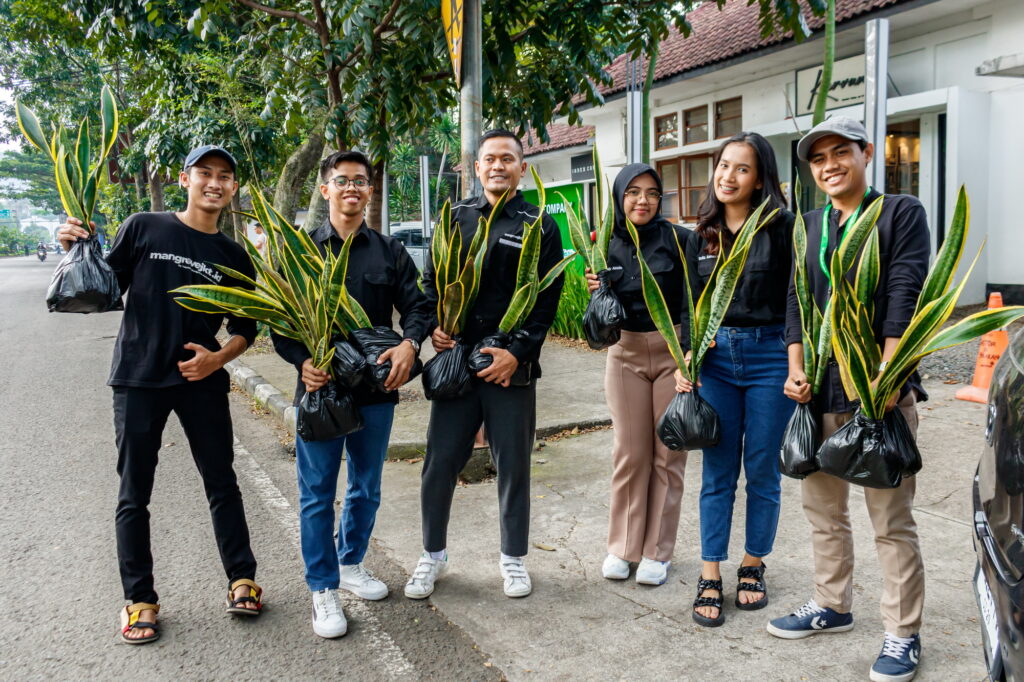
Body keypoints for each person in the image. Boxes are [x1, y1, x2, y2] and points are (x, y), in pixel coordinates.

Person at [57, 144, 263, 645]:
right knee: (135, 493)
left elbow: (246, 327)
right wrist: (73, 248)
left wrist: (217, 359)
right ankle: (139, 601)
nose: (214, 182)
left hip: (202, 381)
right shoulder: (144, 226)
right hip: (137, 378)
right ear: (184, 178)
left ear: (233, 189)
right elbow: (104, 287)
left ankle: (242, 579)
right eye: (205, 173)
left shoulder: (234, 256)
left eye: (224, 176)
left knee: (222, 482)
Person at [767, 116, 930, 682]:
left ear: (865, 154)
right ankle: (832, 605)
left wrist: (883, 379)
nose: (829, 165)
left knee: (890, 518)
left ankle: (901, 632)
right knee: (823, 513)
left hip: (875, 395)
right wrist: (794, 370)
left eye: (841, 153)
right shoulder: (807, 224)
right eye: (818, 159)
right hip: (816, 392)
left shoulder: (900, 213)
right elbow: (795, 303)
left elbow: (905, 292)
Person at [271, 150, 431, 639]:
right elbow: (279, 320)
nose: (352, 189)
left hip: (375, 389)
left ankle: (350, 562)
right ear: (325, 190)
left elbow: (418, 307)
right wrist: (301, 361)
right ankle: (322, 587)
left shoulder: (389, 251)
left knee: (366, 486)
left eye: (361, 181)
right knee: (317, 493)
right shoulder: (301, 251)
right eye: (342, 181)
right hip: (320, 391)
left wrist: (409, 343)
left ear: (369, 190)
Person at [406, 129, 565, 600]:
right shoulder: (455, 218)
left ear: (521, 167)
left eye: (508, 159)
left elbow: (546, 299)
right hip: (458, 362)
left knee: (513, 464)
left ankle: (513, 558)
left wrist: (518, 353)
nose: (498, 166)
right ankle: (432, 553)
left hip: (510, 365)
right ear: (476, 168)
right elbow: (433, 281)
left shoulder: (539, 223)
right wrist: (437, 324)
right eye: (489, 159)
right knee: (439, 463)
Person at [674, 132, 795, 627]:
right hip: (715, 358)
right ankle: (710, 572)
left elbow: (795, 297)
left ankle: (753, 563)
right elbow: (686, 303)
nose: (728, 176)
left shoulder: (783, 227)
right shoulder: (698, 234)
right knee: (717, 472)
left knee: (763, 470)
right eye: (723, 165)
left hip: (769, 356)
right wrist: (687, 358)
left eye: (741, 168)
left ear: (760, 178)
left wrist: (796, 361)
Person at [584, 164, 689, 587]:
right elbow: (598, 313)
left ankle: (657, 552)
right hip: (624, 352)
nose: (642, 200)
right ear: (618, 197)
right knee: (630, 451)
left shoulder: (680, 240)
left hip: (671, 351)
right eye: (632, 192)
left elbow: (692, 300)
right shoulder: (604, 244)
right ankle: (623, 547)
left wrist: (689, 357)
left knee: (668, 453)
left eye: (651, 193)